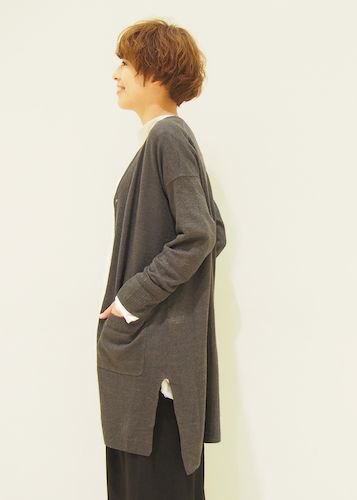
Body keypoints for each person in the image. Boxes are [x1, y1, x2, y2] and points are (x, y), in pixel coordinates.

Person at [96, 17, 227, 500]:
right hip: (150, 360)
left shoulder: (168, 138)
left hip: (157, 367)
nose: (116, 73)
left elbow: (200, 235)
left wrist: (129, 301)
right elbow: (213, 231)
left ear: (155, 71)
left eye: (126, 63)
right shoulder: (161, 140)